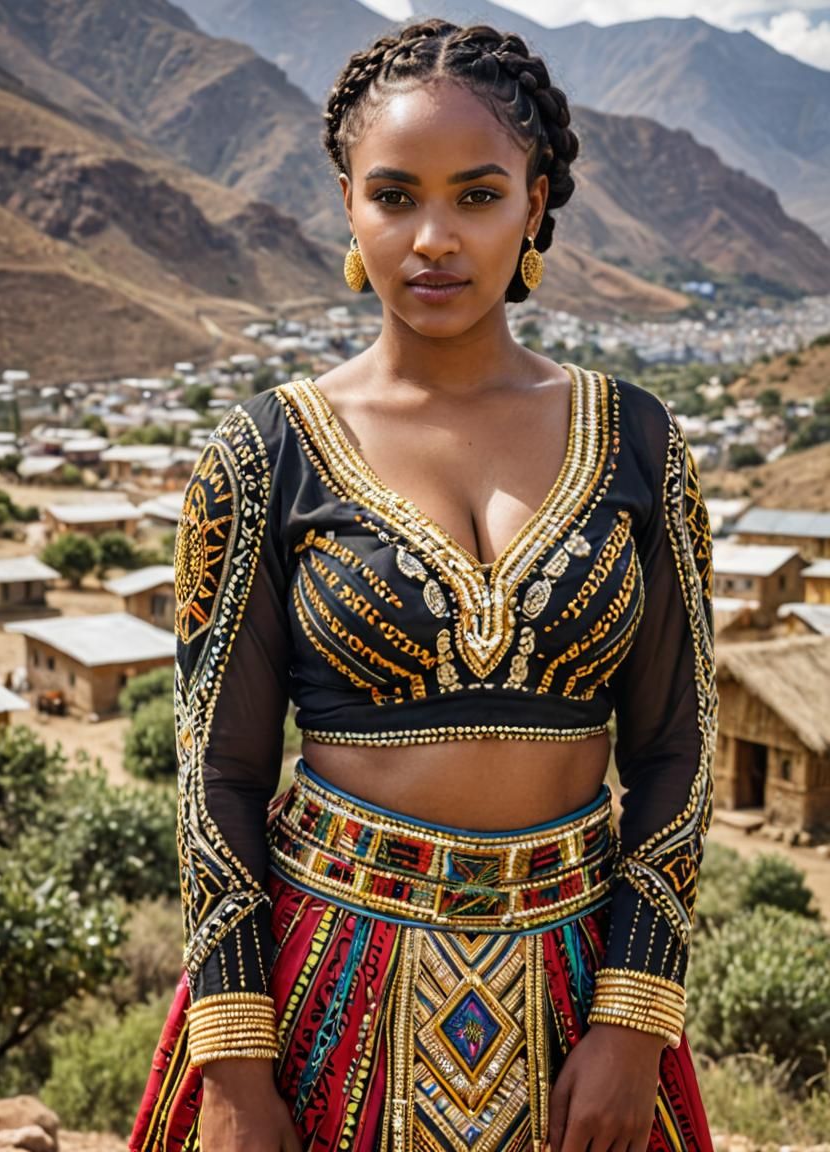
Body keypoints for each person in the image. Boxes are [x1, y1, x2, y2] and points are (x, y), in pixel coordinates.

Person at [129, 18, 717, 1152]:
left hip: (579, 985)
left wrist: (634, 1019)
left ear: (535, 203)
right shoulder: (262, 457)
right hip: (321, 993)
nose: (432, 238)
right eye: (394, 196)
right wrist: (238, 1073)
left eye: (478, 195)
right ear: (346, 204)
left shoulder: (638, 443)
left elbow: (674, 749)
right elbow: (220, 775)